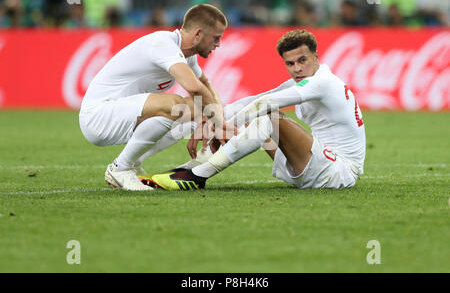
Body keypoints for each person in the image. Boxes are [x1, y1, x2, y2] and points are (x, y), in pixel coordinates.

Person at [146, 29, 366, 191]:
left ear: (316, 57)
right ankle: (188, 168)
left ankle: (196, 177)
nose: (297, 68)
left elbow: (266, 104)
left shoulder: (323, 82)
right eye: (290, 64)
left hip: (339, 171)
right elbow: (253, 100)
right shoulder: (306, 81)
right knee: (254, 116)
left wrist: (221, 126)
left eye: (302, 60)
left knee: (268, 116)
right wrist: (214, 120)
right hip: (315, 165)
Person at [79, 4, 229, 191]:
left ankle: (131, 163)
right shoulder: (162, 44)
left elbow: (205, 84)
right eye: (216, 38)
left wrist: (213, 120)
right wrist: (221, 124)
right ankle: (120, 169)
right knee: (178, 105)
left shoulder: (187, 55)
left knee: (192, 116)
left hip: (120, 114)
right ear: (198, 34)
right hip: (98, 116)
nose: (218, 44)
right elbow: (194, 88)